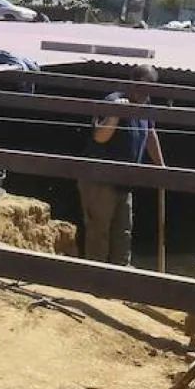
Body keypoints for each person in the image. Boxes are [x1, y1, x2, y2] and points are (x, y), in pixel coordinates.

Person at [79, 86, 166, 266]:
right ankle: (96, 277)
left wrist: (161, 166)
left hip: (125, 181)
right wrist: (115, 114)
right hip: (100, 180)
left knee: (123, 231)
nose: (144, 95)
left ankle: (121, 275)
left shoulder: (145, 106)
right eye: (141, 89)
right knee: (99, 231)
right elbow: (100, 137)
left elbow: (150, 134)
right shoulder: (112, 101)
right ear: (132, 84)